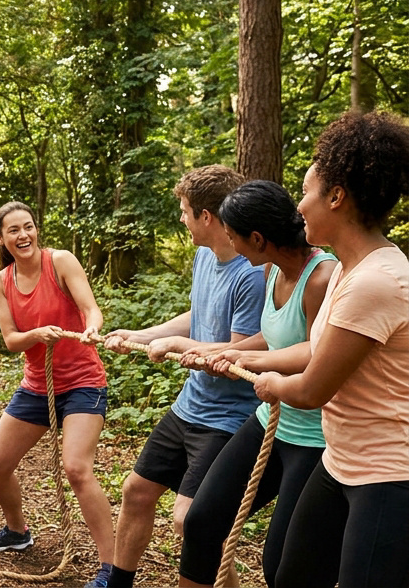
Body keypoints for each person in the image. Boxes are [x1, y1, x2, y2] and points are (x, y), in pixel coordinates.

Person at [253, 112, 409, 588]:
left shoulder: (374, 282)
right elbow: (315, 352)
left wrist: (272, 385)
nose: (299, 205)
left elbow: (311, 389)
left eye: (306, 191)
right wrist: (237, 358)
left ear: (336, 197)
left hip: (388, 474)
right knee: (291, 575)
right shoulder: (347, 269)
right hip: (341, 462)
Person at [101, 165, 264, 588]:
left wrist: (178, 349)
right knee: (136, 491)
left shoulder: (250, 274)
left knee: (190, 522)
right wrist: (143, 334)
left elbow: (236, 353)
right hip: (189, 406)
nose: (181, 218)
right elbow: (198, 317)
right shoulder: (205, 256)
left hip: (226, 419)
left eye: (185, 210)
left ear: (206, 217)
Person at [174, 180, 335, 588]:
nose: (228, 244)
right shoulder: (269, 269)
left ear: (258, 239)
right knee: (202, 521)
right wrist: (224, 353)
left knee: (282, 565)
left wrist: (243, 357)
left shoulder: (322, 278)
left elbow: (317, 349)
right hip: (269, 422)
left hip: (313, 438)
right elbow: (276, 334)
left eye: (232, 236)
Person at [0, 202, 115, 588]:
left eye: (29, 227)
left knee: (77, 469)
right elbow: (10, 340)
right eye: (14, 231)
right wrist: (37, 335)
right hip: (37, 387)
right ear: (1, 238)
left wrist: (91, 328)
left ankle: (112, 568)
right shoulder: (1, 281)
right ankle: (17, 532)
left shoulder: (61, 262)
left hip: (84, 382)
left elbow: (91, 309)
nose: (24, 236)